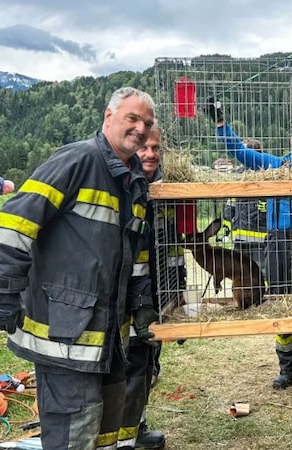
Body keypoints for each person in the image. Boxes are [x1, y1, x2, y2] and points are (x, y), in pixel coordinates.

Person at [0, 87, 159, 450]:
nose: (141, 129)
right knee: (73, 434)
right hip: (64, 334)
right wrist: (4, 291)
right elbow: (14, 221)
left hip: (108, 338)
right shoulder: (77, 161)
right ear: (108, 117)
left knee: (105, 431)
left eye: (147, 122)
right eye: (133, 118)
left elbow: (137, 252)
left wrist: (142, 301)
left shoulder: (133, 182)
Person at [208, 98, 292, 404]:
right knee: (281, 307)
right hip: (277, 244)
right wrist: (220, 124)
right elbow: (239, 152)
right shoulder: (275, 167)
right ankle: (288, 369)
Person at [117, 124, 175, 449]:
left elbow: (175, 246)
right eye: (145, 148)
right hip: (127, 293)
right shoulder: (127, 186)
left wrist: (176, 295)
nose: (151, 154)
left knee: (148, 362)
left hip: (158, 291)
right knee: (131, 361)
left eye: (156, 148)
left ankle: (135, 424)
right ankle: (124, 434)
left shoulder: (170, 189)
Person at [222, 137, 269, 274]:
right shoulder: (263, 174)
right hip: (251, 238)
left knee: (242, 273)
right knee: (257, 273)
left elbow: (228, 210)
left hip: (252, 238)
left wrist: (227, 231)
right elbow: (229, 207)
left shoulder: (263, 176)